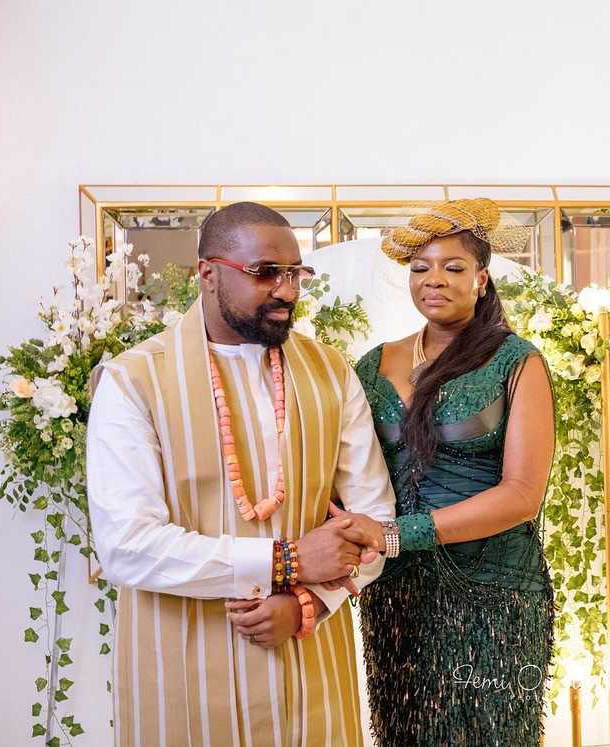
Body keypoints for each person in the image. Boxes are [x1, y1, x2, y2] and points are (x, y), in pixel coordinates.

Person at [86, 202, 396, 746]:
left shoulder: (330, 371)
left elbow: (377, 520)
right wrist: (287, 562)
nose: (287, 289)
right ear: (208, 273)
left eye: (296, 273)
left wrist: (310, 601)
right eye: (265, 273)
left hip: (307, 662)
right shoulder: (134, 380)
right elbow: (126, 544)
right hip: (181, 662)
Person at [353, 198, 556, 746]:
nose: (434, 280)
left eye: (453, 267)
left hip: (494, 589)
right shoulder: (374, 363)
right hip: (398, 589)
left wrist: (398, 534)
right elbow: (349, 465)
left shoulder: (518, 361)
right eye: (421, 268)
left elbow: (521, 495)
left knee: (492, 734)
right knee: (407, 731)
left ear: (482, 279)